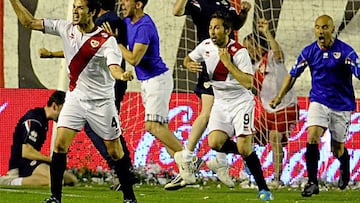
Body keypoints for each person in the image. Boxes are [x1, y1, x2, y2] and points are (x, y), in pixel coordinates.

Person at [9, 0, 138, 203]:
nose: (75, 11)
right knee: (59, 145)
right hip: (75, 99)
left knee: (115, 151)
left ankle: (129, 198)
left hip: (102, 103)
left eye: (80, 7)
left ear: (92, 12)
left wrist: (122, 76)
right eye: (74, 7)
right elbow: (29, 22)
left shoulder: (107, 40)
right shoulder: (65, 27)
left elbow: (114, 67)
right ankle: (55, 197)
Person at [184, 11, 273, 201]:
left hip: (241, 101)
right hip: (220, 101)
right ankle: (248, 155)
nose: (212, 32)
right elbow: (188, 58)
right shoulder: (205, 46)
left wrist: (228, 64)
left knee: (243, 146)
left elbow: (249, 83)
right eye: (210, 28)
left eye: (217, 28)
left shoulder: (239, 52)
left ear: (228, 30)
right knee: (214, 143)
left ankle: (264, 189)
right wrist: (188, 65)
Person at [104, 0, 195, 186]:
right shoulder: (129, 23)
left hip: (157, 80)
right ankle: (185, 172)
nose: (122, 3)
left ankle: (189, 161)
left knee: (152, 126)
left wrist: (114, 40)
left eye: (126, 0)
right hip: (147, 81)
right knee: (160, 129)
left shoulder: (144, 26)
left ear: (138, 4)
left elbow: (134, 59)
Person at [270, 14, 359, 197]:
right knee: (312, 137)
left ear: (332, 29)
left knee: (337, 148)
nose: (320, 31)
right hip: (318, 100)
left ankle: (344, 162)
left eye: (325, 27)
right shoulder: (309, 51)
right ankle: (312, 182)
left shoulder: (345, 52)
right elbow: (293, 75)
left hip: (341, 105)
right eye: (317, 27)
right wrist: (279, 96)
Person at [168, 0, 251, 189]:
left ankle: (219, 161)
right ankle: (187, 158)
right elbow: (176, 11)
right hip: (209, 61)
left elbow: (235, 25)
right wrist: (188, 62)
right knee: (207, 113)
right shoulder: (199, 3)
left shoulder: (227, 4)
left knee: (220, 115)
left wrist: (244, 13)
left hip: (227, 61)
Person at [243, 18, 298, 187]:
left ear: (257, 47)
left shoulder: (271, 58)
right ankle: (249, 176)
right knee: (245, 137)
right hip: (268, 112)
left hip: (286, 108)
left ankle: (276, 179)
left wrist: (266, 32)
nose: (246, 52)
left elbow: (279, 53)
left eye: (248, 47)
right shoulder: (252, 68)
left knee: (275, 137)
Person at [0, 91, 77, 187]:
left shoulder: (42, 120)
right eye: (64, 111)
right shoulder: (34, 119)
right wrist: (51, 160)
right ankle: (9, 181)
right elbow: (26, 151)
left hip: (31, 162)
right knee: (53, 180)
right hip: (21, 163)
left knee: (71, 179)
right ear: (54, 106)